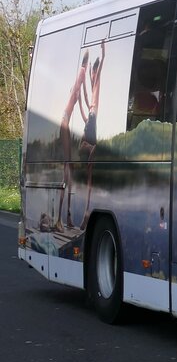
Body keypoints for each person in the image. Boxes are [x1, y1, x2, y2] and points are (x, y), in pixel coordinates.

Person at [56, 50, 90, 230]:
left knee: (68, 171)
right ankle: (60, 219)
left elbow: (81, 95)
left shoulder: (80, 75)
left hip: (66, 121)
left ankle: (65, 217)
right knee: (67, 170)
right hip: (65, 122)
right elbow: (83, 94)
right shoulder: (82, 73)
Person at [79, 40, 106, 222]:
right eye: (92, 73)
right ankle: (86, 211)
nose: (93, 76)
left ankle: (87, 211)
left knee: (90, 175)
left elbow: (98, 71)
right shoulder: (91, 102)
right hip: (89, 131)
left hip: (92, 132)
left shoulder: (97, 85)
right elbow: (87, 94)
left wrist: (103, 54)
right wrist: (80, 99)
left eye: (94, 73)